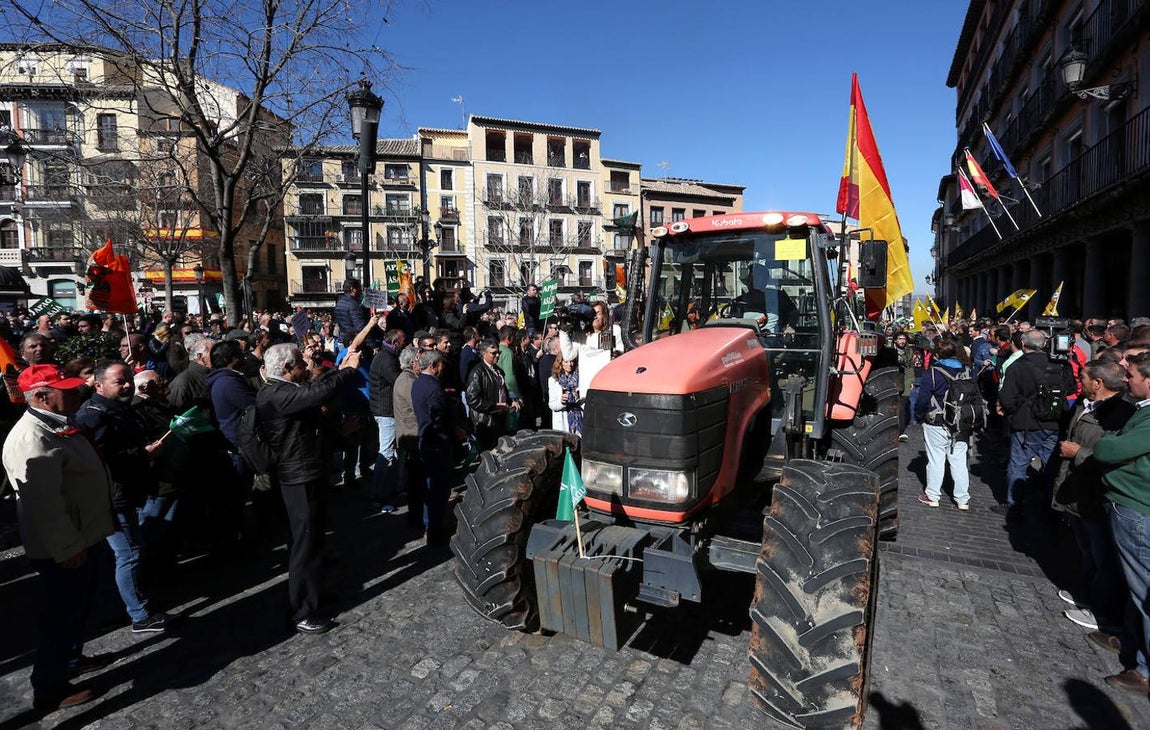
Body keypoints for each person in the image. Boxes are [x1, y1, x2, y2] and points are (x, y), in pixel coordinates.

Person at [2, 365, 113, 711]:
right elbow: (43, 502)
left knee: (77, 608)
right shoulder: (31, 437)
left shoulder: (55, 422)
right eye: (67, 389)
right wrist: (67, 547)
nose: (77, 392)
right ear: (41, 396)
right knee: (60, 615)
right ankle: (48, 686)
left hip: (80, 536)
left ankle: (69, 661)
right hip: (64, 546)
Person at [257, 343, 360, 634]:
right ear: (288, 368)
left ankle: (314, 595)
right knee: (303, 544)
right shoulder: (276, 394)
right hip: (297, 477)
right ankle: (302, 609)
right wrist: (348, 372)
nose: (306, 365)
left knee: (313, 541)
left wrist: (339, 371)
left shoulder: (285, 391)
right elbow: (315, 393)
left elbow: (315, 388)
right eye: (301, 362)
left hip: (308, 472)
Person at [74, 362, 171, 633]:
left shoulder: (117, 408)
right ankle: (139, 614)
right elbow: (102, 460)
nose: (128, 385)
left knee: (127, 551)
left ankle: (126, 605)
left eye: (129, 379)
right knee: (128, 552)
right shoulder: (94, 415)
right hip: (113, 496)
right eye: (121, 382)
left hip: (126, 492)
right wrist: (143, 453)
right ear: (99, 386)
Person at [1050, 359, 1135, 636]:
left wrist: (1079, 454)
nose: (1078, 382)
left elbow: (1114, 454)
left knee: (1103, 557)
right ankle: (1086, 594)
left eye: (1083, 378)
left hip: (1094, 491)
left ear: (1097, 383)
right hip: (1076, 489)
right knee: (1087, 549)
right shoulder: (1087, 405)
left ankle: (1102, 611)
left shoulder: (1121, 413)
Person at [1092, 352, 1150, 694]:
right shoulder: (1142, 410)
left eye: (1132, 376)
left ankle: (1144, 670)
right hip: (1129, 505)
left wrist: (1109, 444)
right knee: (1135, 586)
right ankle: (1130, 641)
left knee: (1144, 591)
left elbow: (1107, 449)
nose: (1125, 380)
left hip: (1138, 510)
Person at [995, 330, 1069, 517]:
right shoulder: (1058, 365)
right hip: (1053, 422)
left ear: (1023, 344)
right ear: (1044, 344)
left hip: (1026, 424)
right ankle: (1050, 505)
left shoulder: (1017, 366)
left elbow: (1007, 398)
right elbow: (1071, 387)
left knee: (1018, 464)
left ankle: (1014, 504)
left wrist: (1014, 410)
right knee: (1050, 466)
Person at [912, 340, 972, 510]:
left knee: (936, 459)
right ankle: (962, 499)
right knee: (959, 460)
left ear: (938, 355)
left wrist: (918, 416)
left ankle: (933, 496)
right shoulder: (967, 370)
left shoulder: (933, 373)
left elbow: (923, 399)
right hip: (962, 422)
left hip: (937, 421)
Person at [411, 349, 461, 545]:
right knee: (438, 489)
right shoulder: (433, 388)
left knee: (431, 486)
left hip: (426, 439)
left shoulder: (418, 383)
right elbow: (437, 417)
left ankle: (430, 524)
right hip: (438, 442)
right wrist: (454, 429)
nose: (443, 368)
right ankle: (435, 529)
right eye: (441, 364)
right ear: (433, 365)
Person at [369, 329, 405, 511]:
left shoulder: (386, 356)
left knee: (394, 452)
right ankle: (376, 494)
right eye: (403, 340)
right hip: (386, 412)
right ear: (396, 342)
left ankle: (392, 488)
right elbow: (398, 381)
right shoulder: (387, 360)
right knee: (386, 453)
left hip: (386, 410)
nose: (404, 344)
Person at [558, 301, 620, 399]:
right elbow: (568, 356)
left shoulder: (613, 330)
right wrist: (563, 332)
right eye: (592, 313)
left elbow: (619, 355)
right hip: (587, 392)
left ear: (605, 315)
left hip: (607, 390)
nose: (594, 316)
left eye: (598, 313)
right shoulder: (581, 335)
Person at [465, 340, 515, 450]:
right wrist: (495, 405)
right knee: (489, 453)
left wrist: (511, 401)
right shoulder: (477, 372)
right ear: (484, 354)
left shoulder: (498, 370)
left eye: (499, 353)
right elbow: (472, 399)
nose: (497, 356)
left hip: (499, 418)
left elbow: (501, 391)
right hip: (485, 421)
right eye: (493, 353)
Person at [547, 355, 584, 434]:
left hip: (579, 419)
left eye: (572, 361)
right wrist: (562, 402)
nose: (570, 364)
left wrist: (578, 397)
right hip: (563, 422)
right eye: (566, 362)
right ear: (560, 363)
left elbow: (585, 398)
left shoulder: (581, 377)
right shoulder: (553, 381)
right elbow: (552, 405)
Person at [332, 278, 368, 345]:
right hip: (352, 341)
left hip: (341, 339)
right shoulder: (354, 304)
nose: (361, 291)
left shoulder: (340, 302)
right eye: (359, 288)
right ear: (353, 289)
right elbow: (360, 326)